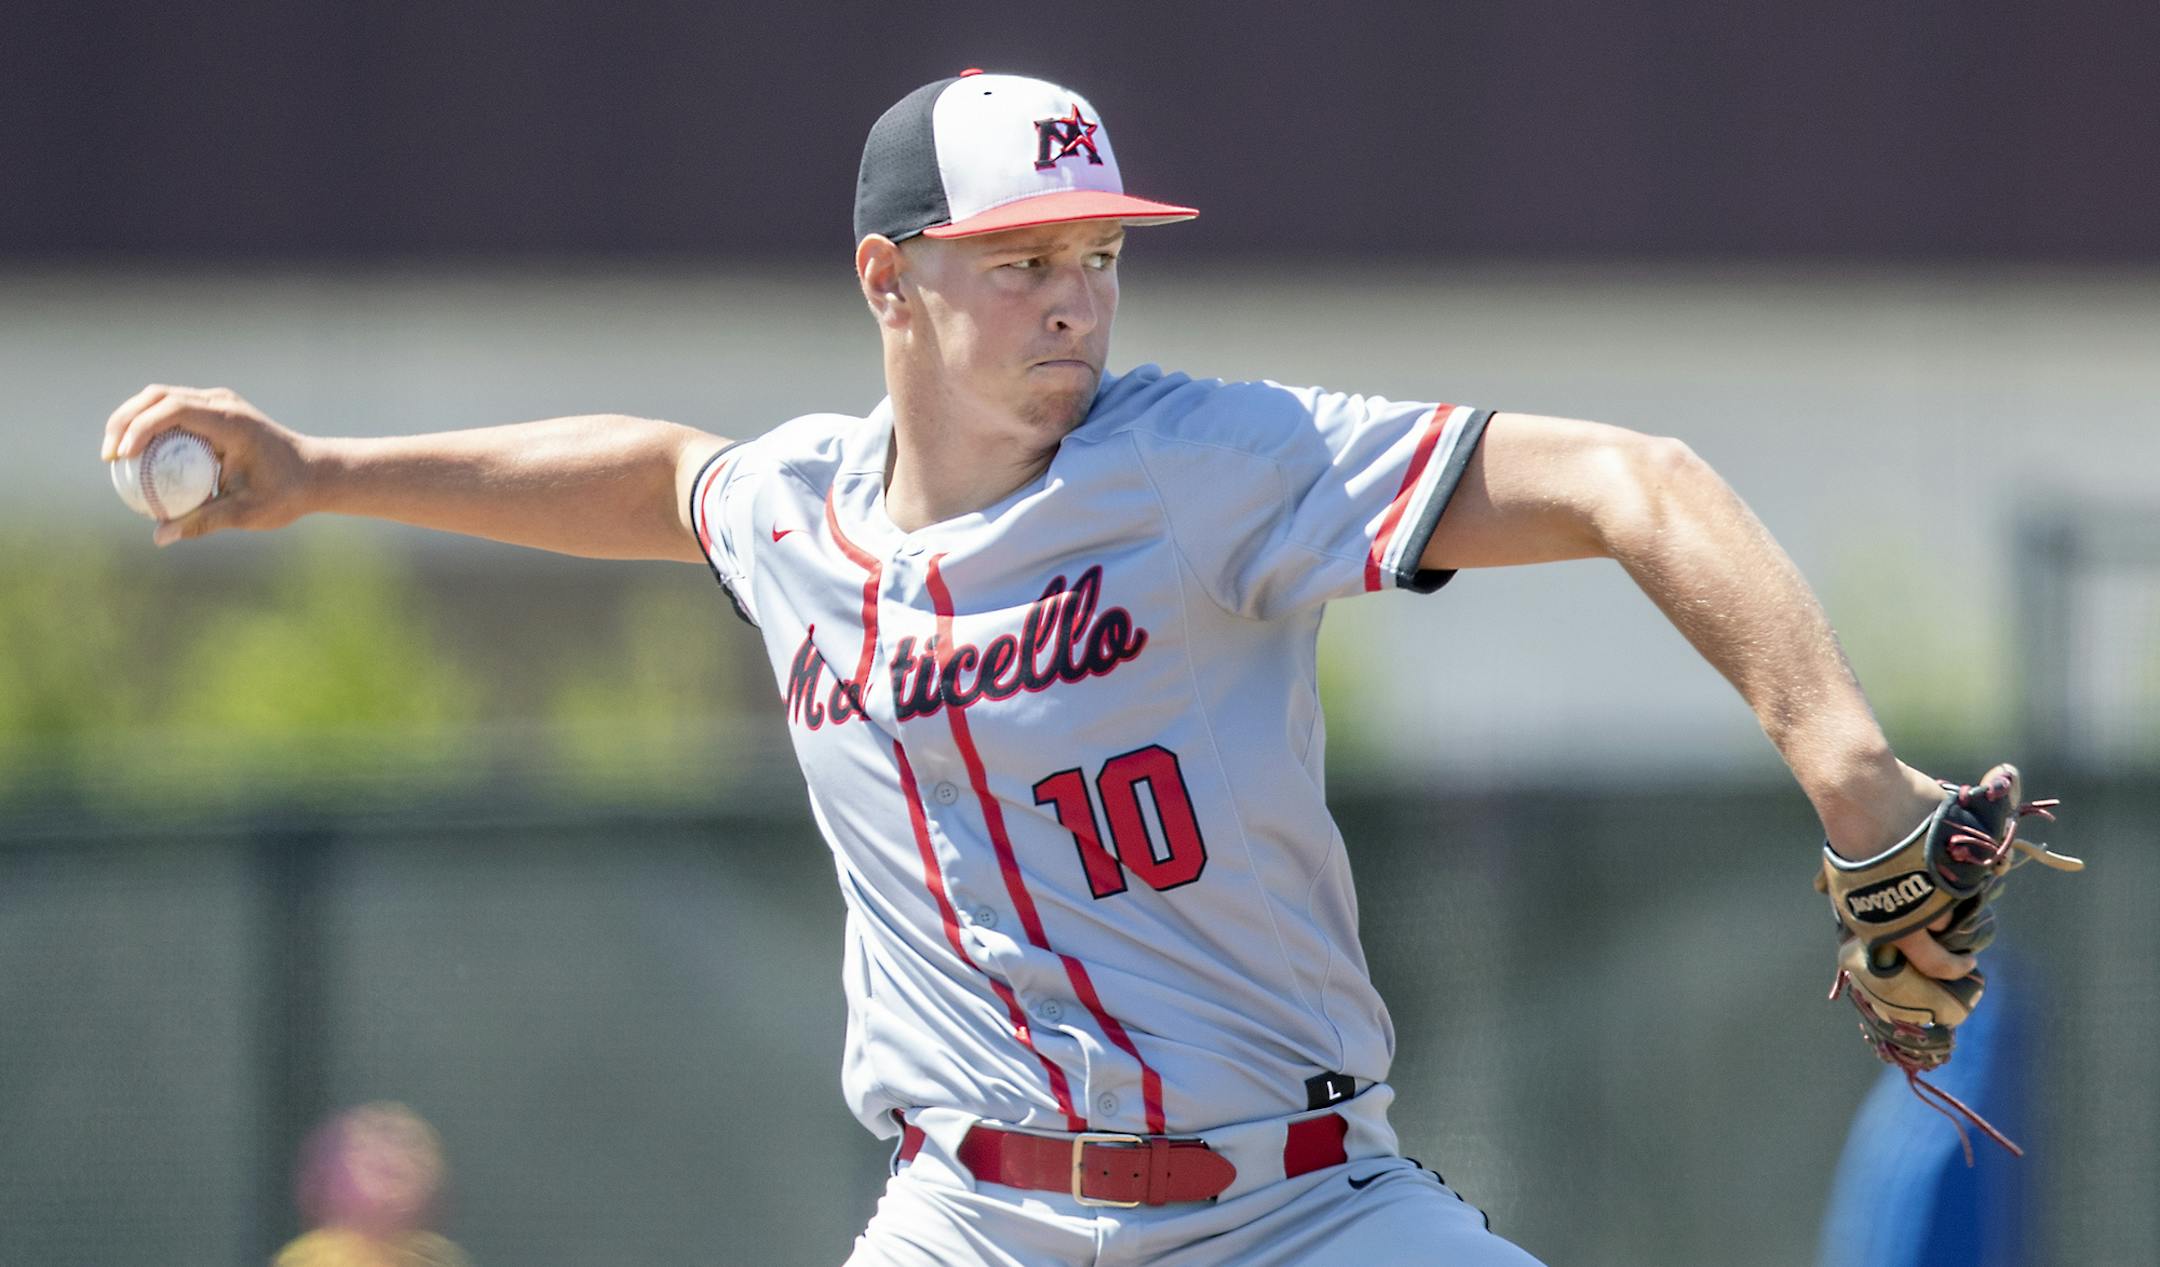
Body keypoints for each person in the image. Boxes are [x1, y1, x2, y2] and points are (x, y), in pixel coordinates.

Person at [102, 70, 1983, 1266]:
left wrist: (1847, 768)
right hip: (970, 1221)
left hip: (1300, 1210)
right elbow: (665, 476)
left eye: (1094, 249)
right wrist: (327, 474)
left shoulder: (1204, 466)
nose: (1073, 292)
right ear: (885, 280)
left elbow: (1633, 479)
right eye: (1016, 256)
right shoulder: (805, 518)